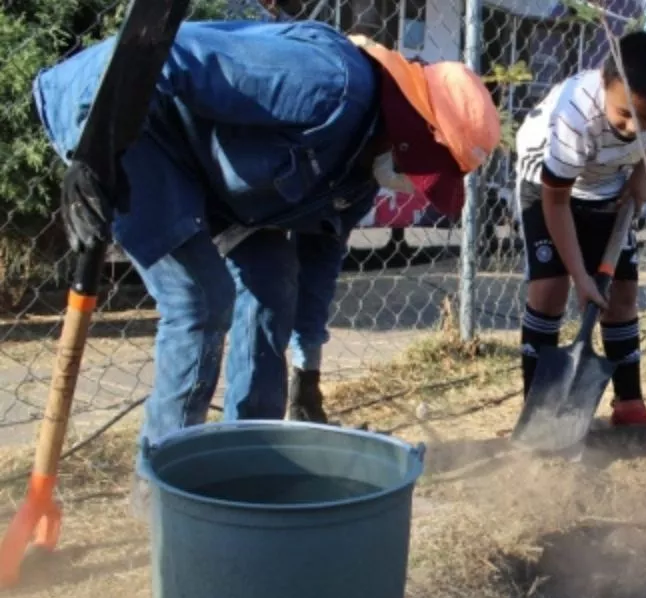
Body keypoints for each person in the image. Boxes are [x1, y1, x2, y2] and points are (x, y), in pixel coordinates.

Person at [34, 21, 500, 445]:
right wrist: (95, 150)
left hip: (205, 170)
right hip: (120, 114)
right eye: (424, 166)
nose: (414, 182)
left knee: (274, 279)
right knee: (200, 298)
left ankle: (248, 453)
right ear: (411, 129)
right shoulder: (330, 82)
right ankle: (164, 484)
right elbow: (170, 52)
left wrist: (307, 372)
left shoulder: (360, 172)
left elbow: (319, 264)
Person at [513, 30, 646, 427]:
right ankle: (536, 415)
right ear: (605, 81)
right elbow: (555, 201)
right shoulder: (575, 115)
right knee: (550, 290)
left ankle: (629, 404)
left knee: (622, 293)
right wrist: (580, 277)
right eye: (623, 112)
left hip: (609, 183)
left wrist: (644, 171)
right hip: (547, 184)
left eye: (645, 117)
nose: (631, 127)